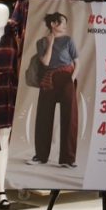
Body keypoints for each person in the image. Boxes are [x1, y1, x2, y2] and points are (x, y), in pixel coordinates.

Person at [30, 12, 79, 168]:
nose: (65, 26)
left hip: (66, 78)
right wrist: (50, 43)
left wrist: (71, 78)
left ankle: (68, 159)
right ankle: (40, 156)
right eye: (62, 23)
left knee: (69, 117)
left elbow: (78, 62)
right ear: (53, 24)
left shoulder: (68, 40)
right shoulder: (42, 42)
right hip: (48, 79)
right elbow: (45, 62)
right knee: (44, 117)